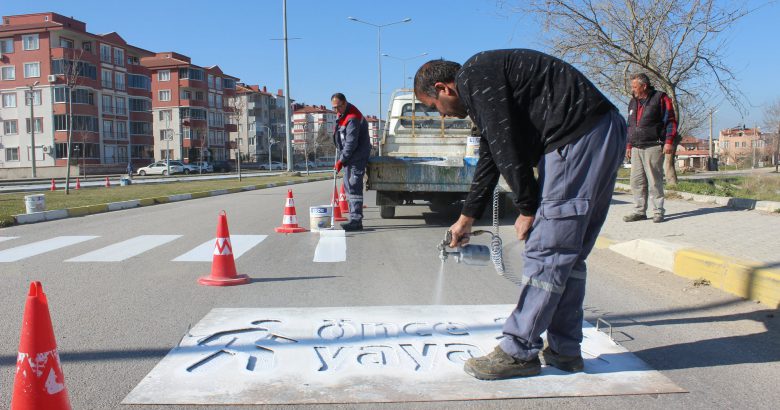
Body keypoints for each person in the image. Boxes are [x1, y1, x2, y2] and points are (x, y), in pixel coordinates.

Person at [413, 50, 626, 380]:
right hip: (597, 130)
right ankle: (565, 350)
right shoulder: (484, 79)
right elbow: (491, 156)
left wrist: (528, 208)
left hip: (576, 137)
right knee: (567, 253)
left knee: (548, 249)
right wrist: (467, 217)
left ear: (444, 88)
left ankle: (518, 351)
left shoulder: (474, 77)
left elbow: (505, 145)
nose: (440, 115)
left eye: (432, 106)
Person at [624, 73, 678, 223]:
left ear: (644, 86)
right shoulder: (632, 102)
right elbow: (630, 126)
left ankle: (658, 211)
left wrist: (668, 142)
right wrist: (628, 145)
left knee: (654, 181)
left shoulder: (661, 98)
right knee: (636, 182)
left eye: (635, 86)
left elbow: (671, 122)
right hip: (636, 147)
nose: (632, 89)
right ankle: (639, 211)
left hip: (653, 145)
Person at [331, 93, 371, 231]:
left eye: (338, 107)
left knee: (354, 187)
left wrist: (340, 161)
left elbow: (351, 143)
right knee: (349, 187)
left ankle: (356, 221)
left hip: (357, 156)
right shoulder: (342, 116)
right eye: (334, 108)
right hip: (350, 157)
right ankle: (354, 217)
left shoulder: (352, 117)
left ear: (345, 103)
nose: (336, 111)